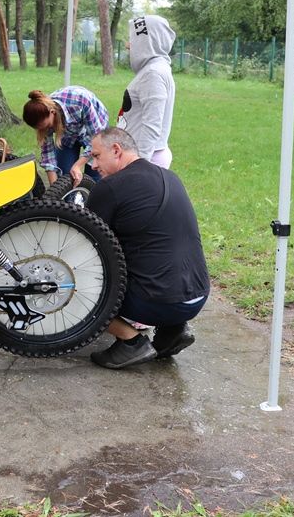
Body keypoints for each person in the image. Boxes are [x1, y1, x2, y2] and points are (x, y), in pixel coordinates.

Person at [85, 127, 210, 369]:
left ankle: (131, 342)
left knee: (75, 286)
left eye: (97, 156)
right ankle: (173, 330)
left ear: (117, 150)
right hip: (197, 296)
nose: (93, 165)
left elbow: (83, 246)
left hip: (156, 302)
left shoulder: (111, 187)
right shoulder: (170, 176)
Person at [118, 14, 177, 168]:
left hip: (146, 158)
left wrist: (139, 166)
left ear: (147, 42)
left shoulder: (153, 73)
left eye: (134, 40)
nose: (128, 45)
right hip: (139, 156)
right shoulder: (154, 69)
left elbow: (152, 125)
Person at [22, 86, 108, 186]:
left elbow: (96, 141)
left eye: (48, 126)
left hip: (95, 130)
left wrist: (77, 165)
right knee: (63, 177)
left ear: (52, 112)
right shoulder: (43, 121)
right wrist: (55, 191)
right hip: (68, 135)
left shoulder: (79, 101)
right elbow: (48, 157)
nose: (46, 130)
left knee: (95, 178)